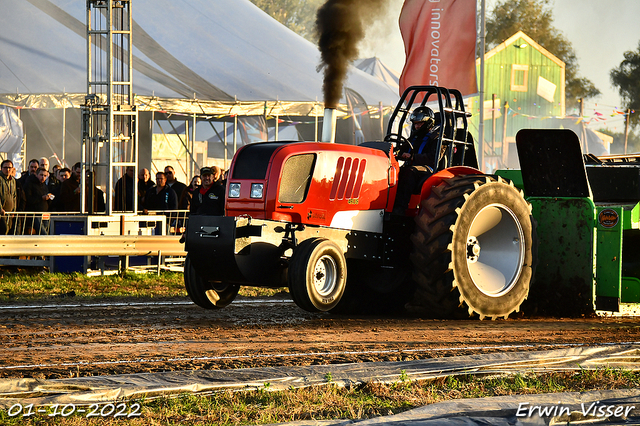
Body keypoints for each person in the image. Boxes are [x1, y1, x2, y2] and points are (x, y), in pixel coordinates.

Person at [392, 106, 441, 215]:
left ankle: (399, 209)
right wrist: (392, 151)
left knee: (409, 172)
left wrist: (412, 157)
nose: (417, 126)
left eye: (419, 123)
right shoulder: (415, 137)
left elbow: (434, 158)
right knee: (393, 171)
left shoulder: (437, 138)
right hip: (413, 166)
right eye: (415, 123)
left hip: (429, 168)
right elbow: (402, 148)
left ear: (428, 123)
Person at [23, 167, 53, 234]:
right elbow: (28, 198)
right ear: (36, 175)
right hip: (35, 213)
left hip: (44, 213)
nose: (43, 177)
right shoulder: (30, 183)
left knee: (45, 230)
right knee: (42, 232)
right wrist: (41, 198)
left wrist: (49, 197)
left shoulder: (44, 185)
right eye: (41, 175)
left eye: (45, 176)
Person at [0, 160, 17, 235]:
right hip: (1, 212)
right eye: (5, 167)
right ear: (1, 168)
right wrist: (0, 208)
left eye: (9, 168)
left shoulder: (13, 180)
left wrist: (14, 210)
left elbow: (14, 196)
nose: (7, 170)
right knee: (4, 229)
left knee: (9, 230)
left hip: (9, 213)